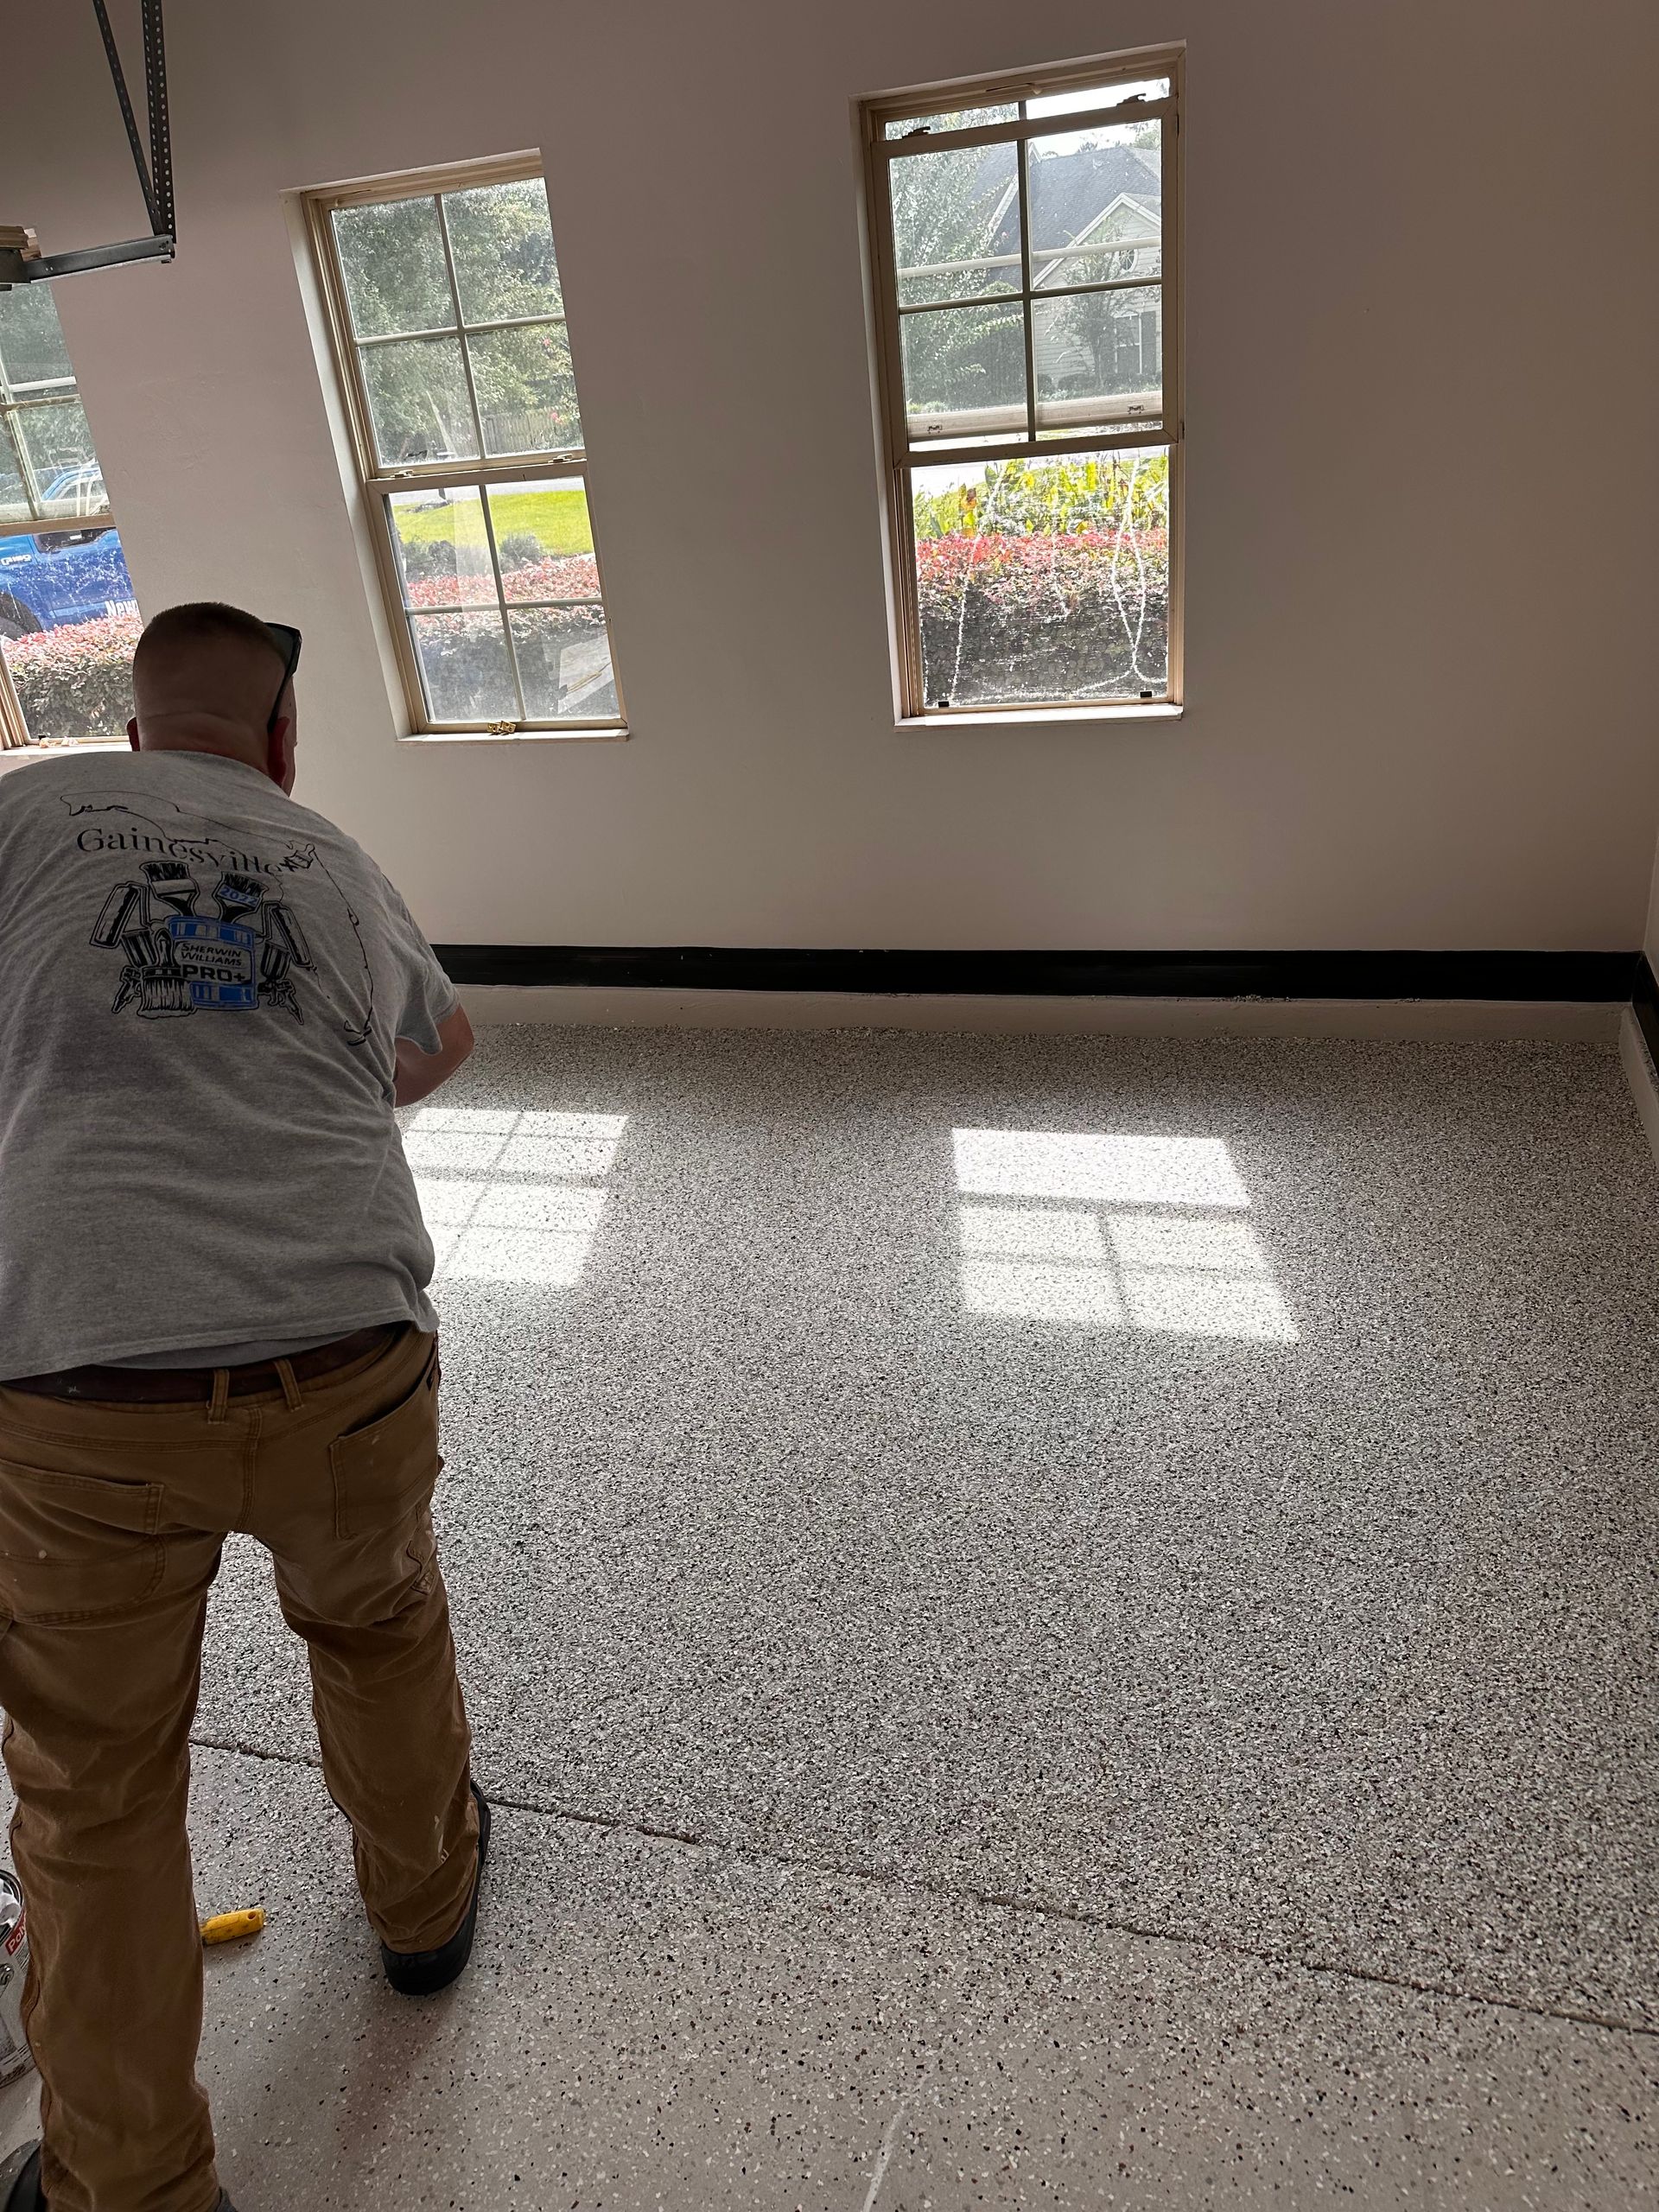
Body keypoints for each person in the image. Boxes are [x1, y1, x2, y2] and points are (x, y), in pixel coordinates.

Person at [0, 602, 487, 2212]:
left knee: (96, 1785)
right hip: (345, 1351)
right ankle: (423, 1905)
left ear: (130, 733)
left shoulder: (18, 811)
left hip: (79, 1391)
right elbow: (436, 1047)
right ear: (285, 739)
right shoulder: (327, 851)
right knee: (378, 1620)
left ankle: (131, 2183)